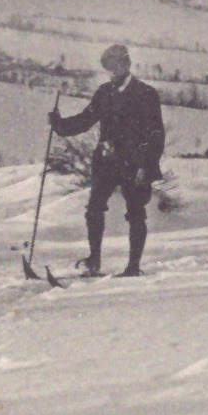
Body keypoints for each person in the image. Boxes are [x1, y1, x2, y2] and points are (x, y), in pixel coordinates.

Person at [48, 44, 165, 278]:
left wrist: (146, 164)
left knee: (135, 213)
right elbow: (86, 119)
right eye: (108, 67)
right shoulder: (104, 93)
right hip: (107, 162)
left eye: (116, 66)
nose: (112, 71)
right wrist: (60, 126)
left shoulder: (146, 93)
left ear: (127, 64)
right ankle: (94, 262)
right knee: (93, 210)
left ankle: (133, 266)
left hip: (135, 164)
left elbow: (156, 134)